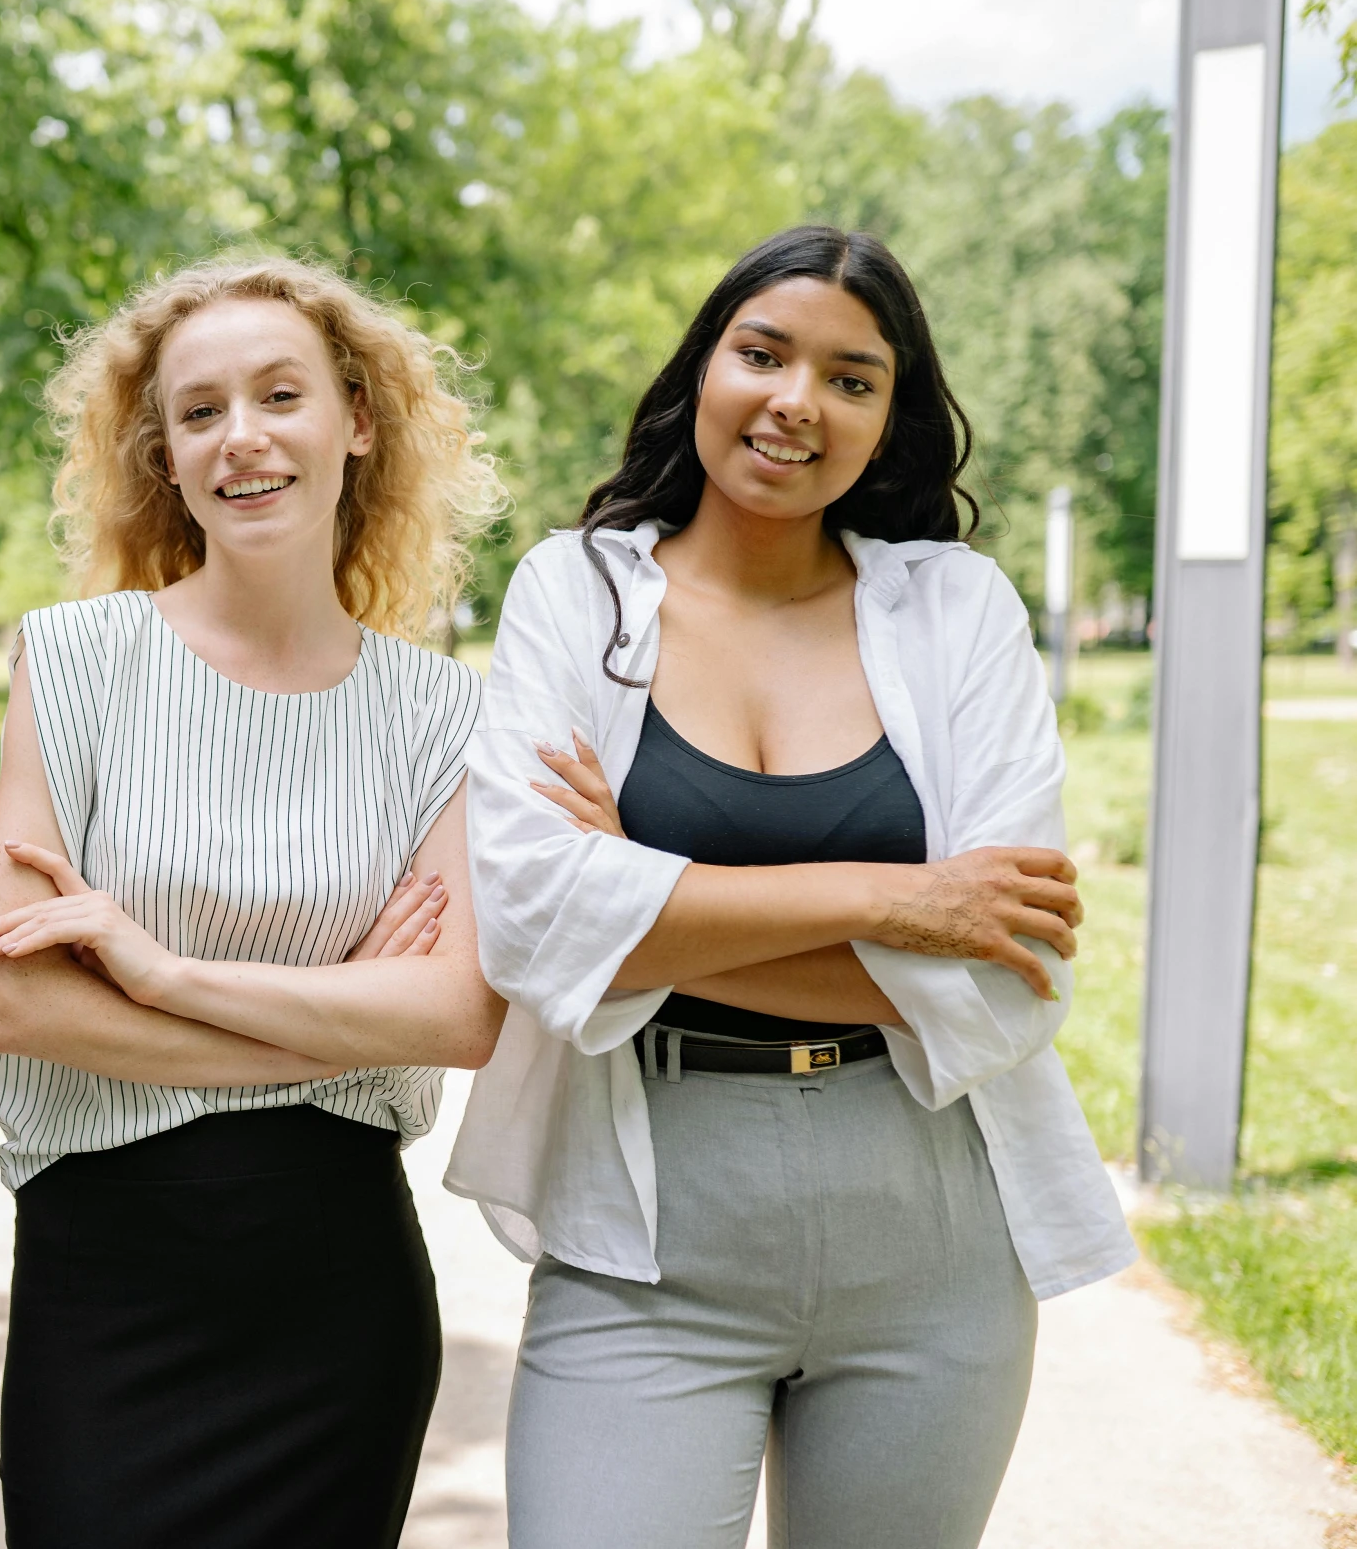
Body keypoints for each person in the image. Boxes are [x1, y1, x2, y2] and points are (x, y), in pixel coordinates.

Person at [447, 225, 1135, 1549]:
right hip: (644, 1236)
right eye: (761, 353)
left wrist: (642, 902)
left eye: (851, 377)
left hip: (930, 1241)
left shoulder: (958, 614)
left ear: (889, 420)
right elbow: (533, 922)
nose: (795, 401)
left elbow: (1005, 979)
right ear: (701, 367)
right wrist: (890, 901)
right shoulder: (575, 594)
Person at [0, 255, 508, 1548]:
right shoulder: (78, 660)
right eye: (199, 410)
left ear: (357, 422)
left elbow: (452, 1011)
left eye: (280, 394)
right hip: (105, 1279)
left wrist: (156, 974)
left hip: (333, 1295)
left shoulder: (443, 713)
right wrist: (335, 1016)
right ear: (161, 452)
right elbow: (11, 995)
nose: (242, 437)